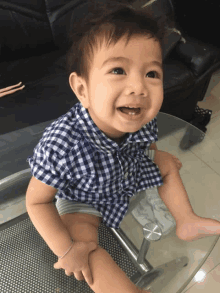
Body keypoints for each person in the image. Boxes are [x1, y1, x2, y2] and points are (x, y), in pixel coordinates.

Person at [25, 1, 220, 293]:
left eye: (151, 74)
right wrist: (66, 250)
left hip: (127, 175)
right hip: (83, 199)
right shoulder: (60, 143)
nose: (140, 88)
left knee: (165, 162)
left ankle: (187, 220)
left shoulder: (137, 115)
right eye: (118, 70)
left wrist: (157, 155)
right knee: (85, 246)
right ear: (82, 89)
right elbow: (36, 202)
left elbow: (148, 142)